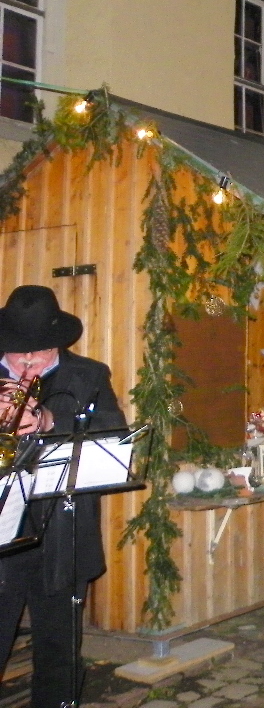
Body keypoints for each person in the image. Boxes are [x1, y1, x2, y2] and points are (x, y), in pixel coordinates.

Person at [0, 286, 126, 708]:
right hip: (1, 531)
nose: (27, 363)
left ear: (55, 343)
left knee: (59, 650)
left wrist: (51, 420)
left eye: (37, 353)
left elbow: (113, 433)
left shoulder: (88, 375)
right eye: (18, 354)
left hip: (61, 530)